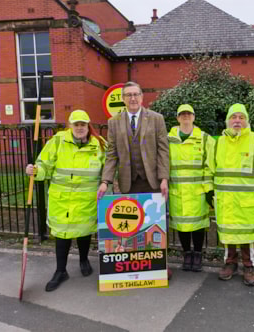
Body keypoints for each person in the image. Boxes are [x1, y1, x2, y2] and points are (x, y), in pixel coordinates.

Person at [25, 110, 106, 292]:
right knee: (62, 234)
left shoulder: (100, 144)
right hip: (62, 200)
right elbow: (44, 165)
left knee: (84, 231)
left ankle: (84, 260)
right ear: (70, 125)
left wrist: (106, 182)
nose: (79, 128)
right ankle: (60, 271)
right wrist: (36, 171)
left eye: (83, 124)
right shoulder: (57, 142)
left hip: (87, 200)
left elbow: (110, 166)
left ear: (88, 126)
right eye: (76, 124)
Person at [96, 81, 170, 275]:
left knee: (155, 223)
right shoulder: (114, 122)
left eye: (136, 94)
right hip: (129, 182)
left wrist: (164, 178)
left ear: (142, 96)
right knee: (133, 224)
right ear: (123, 99)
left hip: (152, 180)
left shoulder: (156, 119)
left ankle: (159, 265)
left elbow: (163, 150)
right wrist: (106, 181)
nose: (133, 98)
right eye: (128, 95)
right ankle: (134, 265)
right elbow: (111, 154)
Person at [206, 104, 254, 286]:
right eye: (234, 117)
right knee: (227, 234)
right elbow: (208, 168)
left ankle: (249, 266)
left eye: (241, 117)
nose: (237, 121)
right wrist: (208, 189)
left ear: (247, 121)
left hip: (248, 202)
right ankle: (230, 263)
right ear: (228, 121)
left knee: (248, 236)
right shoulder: (218, 143)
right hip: (225, 200)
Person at [167, 104, 215, 272]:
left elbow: (210, 165)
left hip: (197, 192)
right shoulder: (168, 139)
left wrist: (209, 188)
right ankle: (187, 254)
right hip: (177, 190)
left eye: (189, 114)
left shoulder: (205, 138)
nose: (186, 117)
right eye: (182, 114)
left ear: (194, 117)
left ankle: (198, 254)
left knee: (199, 225)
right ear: (177, 118)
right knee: (182, 225)